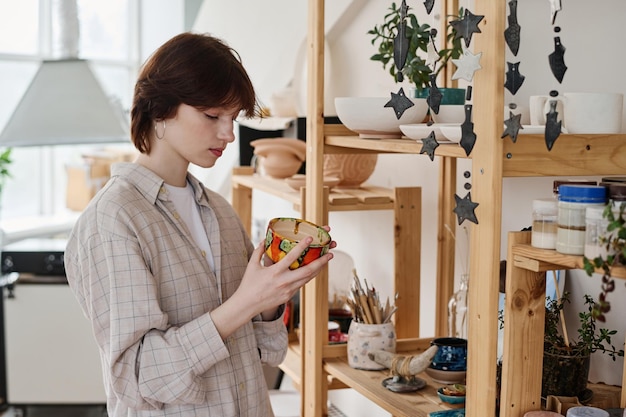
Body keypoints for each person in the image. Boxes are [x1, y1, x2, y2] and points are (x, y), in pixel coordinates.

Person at [64, 32, 335, 417]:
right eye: (212, 116)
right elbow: (140, 380)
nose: (228, 134)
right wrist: (245, 303)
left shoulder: (220, 211)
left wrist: (273, 298)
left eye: (233, 118)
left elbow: (266, 352)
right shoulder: (114, 219)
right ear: (159, 110)